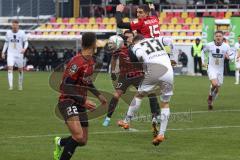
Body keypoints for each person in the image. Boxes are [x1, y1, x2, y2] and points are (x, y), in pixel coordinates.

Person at [53, 32, 107, 160]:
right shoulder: (76, 62)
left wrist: (98, 95)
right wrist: (84, 100)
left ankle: (60, 142)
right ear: (94, 44)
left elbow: (86, 81)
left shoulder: (91, 61)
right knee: (77, 136)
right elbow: (65, 86)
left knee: (82, 140)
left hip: (80, 103)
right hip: (68, 101)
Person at [118, 34, 175, 146]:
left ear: (135, 42)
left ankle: (126, 121)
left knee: (139, 95)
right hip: (168, 72)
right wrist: (172, 57)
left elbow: (139, 54)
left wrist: (144, 66)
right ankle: (161, 134)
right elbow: (170, 40)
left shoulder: (136, 46)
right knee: (165, 103)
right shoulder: (157, 39)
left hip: (153, 71)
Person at [102, 31, 160, 137]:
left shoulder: (139, 49)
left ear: (133, 38)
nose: (128, 38)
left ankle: (155, 118)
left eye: (130, 36)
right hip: (125, 76)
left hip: (138, 75)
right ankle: (108, 118)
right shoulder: (120, 49)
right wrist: (113, 71)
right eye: (126, 37)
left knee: (152, 94)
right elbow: (114, 58)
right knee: (116, 95)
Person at [201, 31, 235, 110]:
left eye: (220, 36)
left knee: (217, 88)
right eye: (217, 36)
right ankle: (210, 96)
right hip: (211, 68)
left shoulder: (226, 46)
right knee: (215, 84)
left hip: (220, 69)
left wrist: (229, 57)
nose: (218, 37)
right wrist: (203, 62)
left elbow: (231, 56)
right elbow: (202, 52)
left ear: (223, 37)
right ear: (214, 37)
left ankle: (211, 100)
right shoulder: (209, 45)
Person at [1, 20, 28, 90]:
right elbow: (6, 43)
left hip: (19, 54)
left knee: (20, 70)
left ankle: (20, 85)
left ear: (18, 26)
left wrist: (24, 49)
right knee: (10, 68)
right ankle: (11, 86)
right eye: (13, 25)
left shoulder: (22, 33)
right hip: (10, 54)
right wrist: (3, 52)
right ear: (12, 26)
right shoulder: (8, 33)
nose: (15, 27)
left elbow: (26, 42)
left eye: (16, 25)